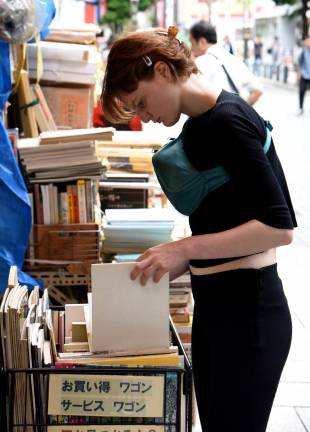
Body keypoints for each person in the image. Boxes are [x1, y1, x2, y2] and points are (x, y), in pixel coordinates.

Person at [102, 26, 297, 432]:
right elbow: (230, 217)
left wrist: (185, 250)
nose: (145, 117)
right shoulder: (201, 124)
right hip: (219, 310)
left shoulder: (229, 119)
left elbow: (279, 226)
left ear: (164, 71)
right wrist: (176, 258)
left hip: (249, 318)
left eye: (140, 101)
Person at [189, 20, 263, 105]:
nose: (191, 48)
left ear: (202, 41)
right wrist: (240, 110)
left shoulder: (200, 63)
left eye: (192, 43)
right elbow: (258, 90)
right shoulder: (233, 59)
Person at [297, 36, 310, 115]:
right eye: (307, 42)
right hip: (304, 75)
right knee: (301, 92)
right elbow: (299, 63)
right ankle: (301, 107)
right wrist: (298, 74)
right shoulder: (303, 52)